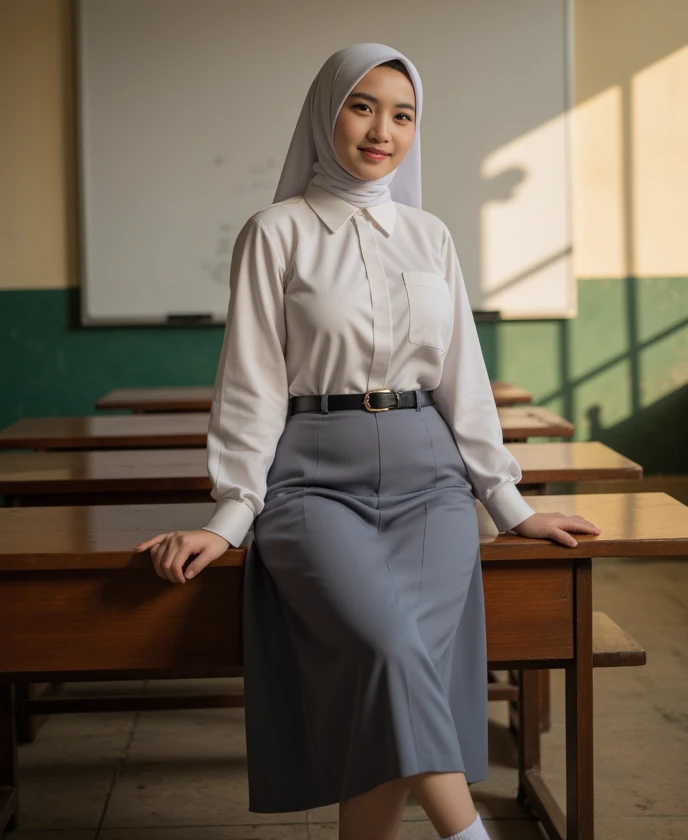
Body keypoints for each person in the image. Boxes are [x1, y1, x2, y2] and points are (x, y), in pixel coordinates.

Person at [134, 43, 601, 840]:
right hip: (314, 480)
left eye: (403, 113)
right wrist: (229, 517)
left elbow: (464, 381)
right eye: (362, 105)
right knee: (388, 648)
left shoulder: (431, 237)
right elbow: (250, 384)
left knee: (384, 676)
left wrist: (510, 504)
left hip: (431, 483)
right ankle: (470, 834)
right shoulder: (275, 232)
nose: (382, 129)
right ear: (326, 113)